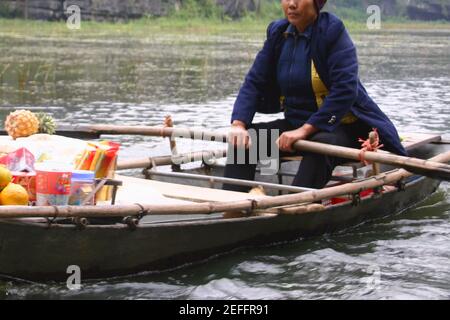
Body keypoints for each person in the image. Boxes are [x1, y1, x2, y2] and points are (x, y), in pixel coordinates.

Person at [223, 0, 407, 192]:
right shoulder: (278, 33)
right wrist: (238, 124)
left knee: (322, 145)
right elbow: (254, 81)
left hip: (341, 127)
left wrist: (304, 131)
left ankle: (293, 206)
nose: (291, 4)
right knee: (246, 140)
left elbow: (345, 89)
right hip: (295, 126)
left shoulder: (332, 31)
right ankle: (233, 207)